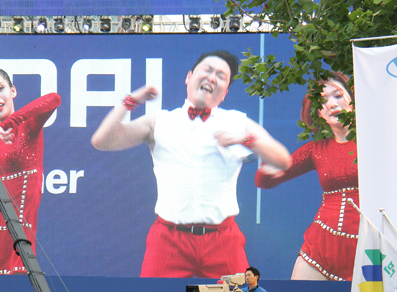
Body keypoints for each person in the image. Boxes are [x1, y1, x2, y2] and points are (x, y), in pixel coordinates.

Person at [91, 51, 292, 278]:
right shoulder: (160, 121)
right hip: (169, 240)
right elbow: (101, 141)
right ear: (189, 77)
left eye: (221, 76)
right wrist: (131, 101)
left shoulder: (236, 121)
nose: (212, 77)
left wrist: (244, 139)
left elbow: (283, 160)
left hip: (222, 239)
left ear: (224, 93)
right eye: (207, 70)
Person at [255, 73, 359, 281]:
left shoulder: (376, 140)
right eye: (323, 101)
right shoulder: (316, 149)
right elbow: (263, 180)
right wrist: (253, 144)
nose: (331, 104)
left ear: (353, 101)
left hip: (368, 248)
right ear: (317, 112)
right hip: (320, 248)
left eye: (337, 95)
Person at [0, 66, 62, 275]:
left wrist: (11, 122)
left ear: (13, 91)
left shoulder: (28, 126)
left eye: (0, 88)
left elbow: (54, 99)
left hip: (17, 240)